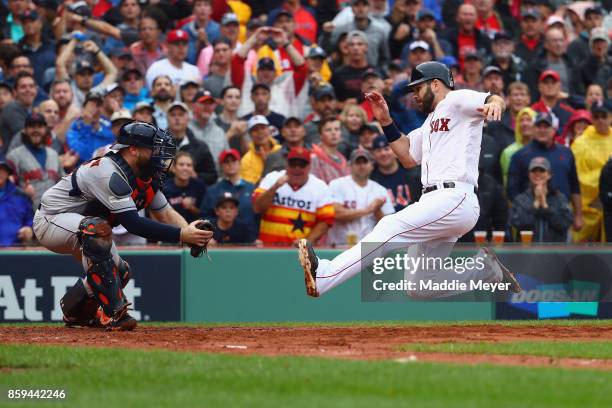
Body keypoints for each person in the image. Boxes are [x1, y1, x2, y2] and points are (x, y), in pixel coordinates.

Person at [297, 61, 520, 298]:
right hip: (438, 202)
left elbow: (493, 99)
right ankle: (485, 271)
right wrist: (385, 121)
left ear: (435, 84)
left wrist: (495, 104)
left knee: (388, 226)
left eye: (417, 88)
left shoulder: (455, 100)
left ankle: (325, 275)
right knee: (418, 286)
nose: (414, 95)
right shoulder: (430, 121)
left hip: (455, 196)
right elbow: (407, 156)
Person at [33, 122, 212, 330]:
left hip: (82, 225)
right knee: (96, 230)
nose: (159, 153)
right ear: (133, 149)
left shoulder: (144, 174)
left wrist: (192, 231)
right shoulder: (108, 171)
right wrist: (183, 235)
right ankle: (115, 314)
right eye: (153, 148)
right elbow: (132, 223)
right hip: (51, 220)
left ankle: (76, 312)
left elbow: (165, 213)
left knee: (121, 272)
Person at [507, 112, 583, 232]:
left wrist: (578, 215)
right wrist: (523, 210)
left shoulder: (566, 153)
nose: (542, 130)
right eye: (538, 126)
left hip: (559, 213)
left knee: (561, 249)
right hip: (530, 216)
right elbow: (512, 190)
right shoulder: (520, 155)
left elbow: (574, 186)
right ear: (533, 129)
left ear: (553, 130)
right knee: (528, 250)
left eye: (546, 126)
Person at [253, 146, 335, 246]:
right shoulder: (272, 178)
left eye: (302, 165)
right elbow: (257, 207)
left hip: (300, 252)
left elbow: (326, 220)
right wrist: (275, 187)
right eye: (293, 165)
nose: (297, 169)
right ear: (286, 164)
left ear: (309, 167)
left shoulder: (320, 186)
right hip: (269, 247)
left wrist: (307, 242)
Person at [327, 149, 394, 246]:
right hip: (340, 245)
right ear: (350, 166)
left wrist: (377, 211)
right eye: (357, 162)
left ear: (371, 165)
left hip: (369, 247)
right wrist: (368, 210)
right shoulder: (337, 184)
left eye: (365, 162)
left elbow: (389, 227)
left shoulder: (381, 190)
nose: (361, 166)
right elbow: (335, 214)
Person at [571, 101, 612, 243]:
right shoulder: (581, 143)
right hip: (589, 207)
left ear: (610, 117)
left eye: (604, 116)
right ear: (592, 119)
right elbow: (577, 176)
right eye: (596, 116)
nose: (600, 120)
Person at [6, 112, 63, 210]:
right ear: (25, 130)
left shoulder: (54, 155)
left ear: (45, 130)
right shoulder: (13, 156)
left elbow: (63, 184)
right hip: (25, 213)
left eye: (40, 126)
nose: (36, 130)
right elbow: (5, 187)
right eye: (32, 126)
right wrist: (22, 191)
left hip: (53, 213)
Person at [510, 157, 573, 242]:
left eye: (542, 170)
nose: (537, 173)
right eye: (534, 171)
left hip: (554, 252)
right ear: (529, 174)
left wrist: (545, 206)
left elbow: (564, 223)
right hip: (526, 252)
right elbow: (518, 223)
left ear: (549, 175)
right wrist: (535, 204)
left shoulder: (560, 198)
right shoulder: (520, 199)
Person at [201, 149, 258, 243]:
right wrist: (209, 236)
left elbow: (257, 215)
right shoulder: (213, 191)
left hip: (249, 241)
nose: (230, 164)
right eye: (226, 162)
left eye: (234, 161)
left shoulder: (252, 188)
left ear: (240, 163)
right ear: (221, 166)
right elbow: (204, 217)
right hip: (219, 243)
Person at [166, 101, 217, 185]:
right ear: (167, 119)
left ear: (188, 118)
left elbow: (212, 176)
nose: (177, 118)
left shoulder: (200, 146)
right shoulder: (158, 145)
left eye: (181, 114)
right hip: (165, 193)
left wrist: (195, 175)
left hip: (194, 194)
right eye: (173, 115)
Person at [370, 135, 422, 212]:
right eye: (378, 150)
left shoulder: (413, 174)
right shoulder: (371, 180)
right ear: (373, 155)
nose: (383, 153)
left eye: (386, 149)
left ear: (395, 151)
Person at [66, 92, 114, 165]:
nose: (95, 109)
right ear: (83, 109)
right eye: (91, 105)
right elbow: (81, 154)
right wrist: (87, 126)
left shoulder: (108, 125)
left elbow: (112, 143)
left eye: (98, 105)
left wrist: (98, 129)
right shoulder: (74, 128)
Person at [189, 91, 229, 170]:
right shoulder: (185, 129)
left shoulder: (219, 132)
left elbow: (226, 160)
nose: (207, 107)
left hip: (215, 179)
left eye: (210, 104)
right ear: (193, 105)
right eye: (203, 103)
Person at [164, 151, 207, 224]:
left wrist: (192, 208)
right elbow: (159, 214)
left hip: (195, 229)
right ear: (174, 168)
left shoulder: (199, 186)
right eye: (181, 164)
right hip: (171, 229)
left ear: (192, 169)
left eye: (189, 165)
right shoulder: (165, 187)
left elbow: (206, 214)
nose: (185, 168)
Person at [0, 155, 34, 246]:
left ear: (8, 173)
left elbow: (30, 220)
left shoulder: (20, 196)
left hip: (15, 250)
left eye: (2, 169)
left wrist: (28, 229)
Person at [0, 72, 38, 152]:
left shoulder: (32, 110)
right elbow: (27, 136)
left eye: (31, 86)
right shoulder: (11, 108)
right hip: (14, 161)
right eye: (23, 87)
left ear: (36, 90)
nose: (28, 90)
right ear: (15, 92)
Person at [500, 107, 536, 187]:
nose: (524, 123)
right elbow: (506, 181)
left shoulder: (543, 148)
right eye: (521, 120)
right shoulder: (508, 152)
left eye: (529, 120)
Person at [240, 115, 281, 184]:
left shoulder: (280, 150)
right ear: (250, 135)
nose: (260, 132)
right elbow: (249, 187)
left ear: (269, 130)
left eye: (263, 128)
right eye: (255, 130)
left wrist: (268, 162)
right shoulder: (247, 160)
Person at [310, 116, 350, 184]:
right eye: (328, 130)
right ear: (321, 135)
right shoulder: (313, 158)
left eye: (337, 129)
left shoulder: (343, 159)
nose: (333, 133)